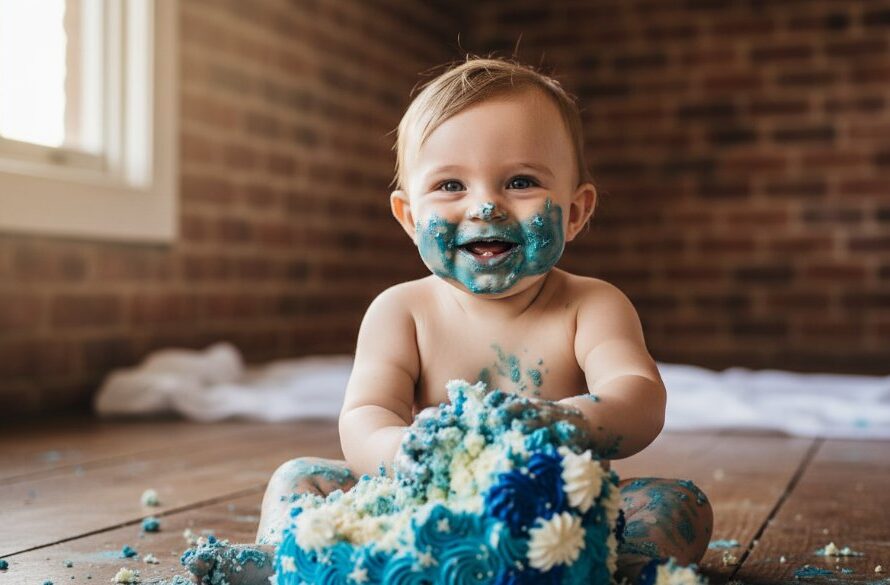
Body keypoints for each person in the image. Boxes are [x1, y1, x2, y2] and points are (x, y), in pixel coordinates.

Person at [184, 56, 713, 585]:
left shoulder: (591, 306)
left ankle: (624, 566)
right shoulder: (401, 311)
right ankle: (289, 559)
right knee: (300, 476)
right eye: (451, 186)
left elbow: (639, 397)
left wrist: (564, 422)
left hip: (552, 513)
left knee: (678, 501)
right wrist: (404, 453)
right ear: (410, 219)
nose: (485, 206)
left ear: (574, 212)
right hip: (416, 502)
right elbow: (367, 413)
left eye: (521, 181)